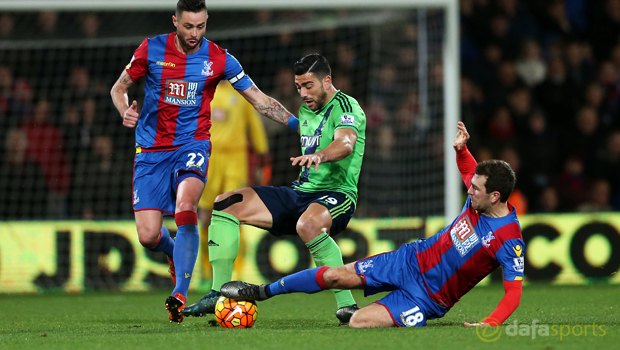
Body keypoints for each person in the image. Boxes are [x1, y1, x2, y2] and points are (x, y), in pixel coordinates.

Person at [220, 121, 525, 328]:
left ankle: (382, 311)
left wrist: (491, 323)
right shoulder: (479, 195)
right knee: (338, 276)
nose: (469, 190)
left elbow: (513, 293)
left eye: (476, 189)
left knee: (358, 322)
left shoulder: (508, 240)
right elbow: (467, 167)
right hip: (408, 260)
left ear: (495, 196)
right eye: (471, 186)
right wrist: (460, 149)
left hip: (428, 297)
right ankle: (261, 291)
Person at [110, 0, 297, 324]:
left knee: (187, 205)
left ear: (206, 21)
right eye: (187, 26)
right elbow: (119, 88)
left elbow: (260, 100)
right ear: (175, 22)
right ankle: (171, 252)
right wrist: (124, 110)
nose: (194, 33)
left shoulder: (219, 58)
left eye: (200, 26)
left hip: (193, 144)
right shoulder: (151, 49)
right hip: (151, 151)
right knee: (148, 236)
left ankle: (180, 292)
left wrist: (299, 126)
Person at [182, 53, 366, 325]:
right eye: (298, 87)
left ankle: (347, 307)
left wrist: (321, 155)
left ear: (327, 81)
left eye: (308, 86)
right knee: (225, 204)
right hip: (300, 192)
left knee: (309, 224)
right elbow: (271, 107)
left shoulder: (346, 106)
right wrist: (242, 83)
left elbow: (346, 142)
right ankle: (217, 292)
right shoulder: (307, 110)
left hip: (337, 194)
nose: (303, 93)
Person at [197, 80, 271, 290]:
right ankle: (206, 274)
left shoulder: (242, 94)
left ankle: (238, 272)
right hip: (209, 158)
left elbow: (254, 126)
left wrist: (263, 155)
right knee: (205, 217)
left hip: (236, 160)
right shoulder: (204, 94)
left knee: (234, 216)